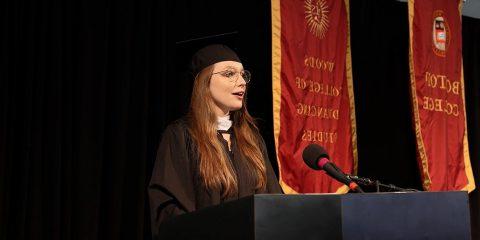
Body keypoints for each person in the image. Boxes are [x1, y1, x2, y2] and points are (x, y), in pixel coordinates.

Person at [148, 44, 282, 238]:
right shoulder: (181, 136)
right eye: (229, 74)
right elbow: (169, 209)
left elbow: (273, 203)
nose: (242, 82)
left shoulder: (252, 140)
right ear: (204, 81)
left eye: (243, 75)